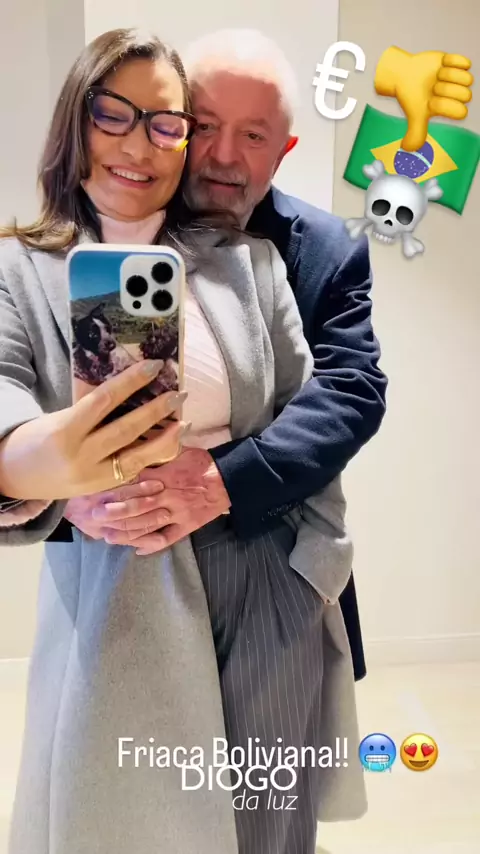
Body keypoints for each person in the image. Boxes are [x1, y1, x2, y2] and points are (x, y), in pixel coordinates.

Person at [0, 28, 365, 854]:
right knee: (118, 826)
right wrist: (50, 468)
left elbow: (311, 409)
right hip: (112, 596)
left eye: (166, 124)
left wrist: (312, 571)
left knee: (268, 828)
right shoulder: (18, 269)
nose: (139, 146)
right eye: (113, 114)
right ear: (76, 120)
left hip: (262, 576)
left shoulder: (248, 263)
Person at [64, 29, 387, 682]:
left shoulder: (326, 248)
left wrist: (221, 481)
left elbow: (352, 389)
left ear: (285, 150)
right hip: (118, 580)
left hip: (276, 563)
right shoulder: (105, 236)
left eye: (254, 135)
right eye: (206, 126)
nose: (222, 156)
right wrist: (58, 489)